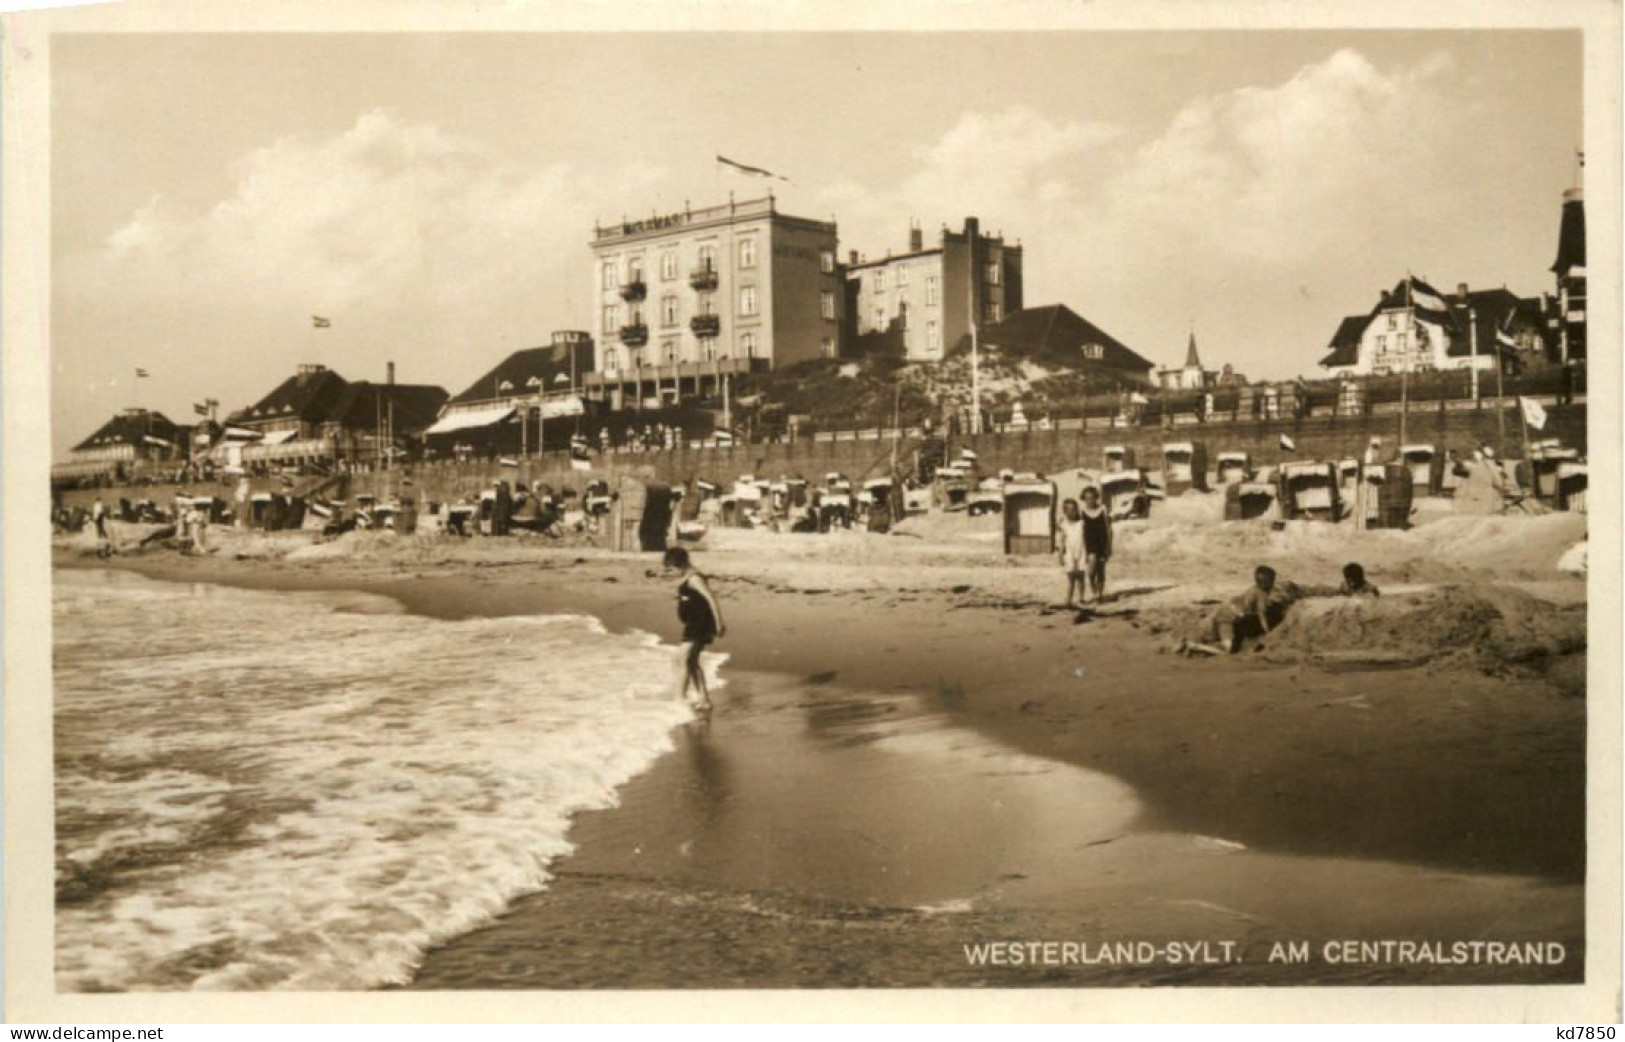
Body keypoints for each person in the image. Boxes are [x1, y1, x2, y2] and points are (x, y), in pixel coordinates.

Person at [664, 546, 725, 711]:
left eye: (671, 569)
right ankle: (703, 699)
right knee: (690, 661)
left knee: (683, 658)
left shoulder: (694, 578)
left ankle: (680, 698)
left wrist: (719, 623)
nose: (670, 572)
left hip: (701, 623)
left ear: (682, 565)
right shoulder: (687, 575)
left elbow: (711, 598)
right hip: (693, 623)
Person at [1197, 565, 1294, 654]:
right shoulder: (1261, 594)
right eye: (1272, 581)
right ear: (1267, 582)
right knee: (1228, 650)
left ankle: (1204, 644)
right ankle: (1196, 647)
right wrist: (1268, 632)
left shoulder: (1254, 589)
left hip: (1224, 612)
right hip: (1226, 619)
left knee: (1221, 640)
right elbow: (1262, 615)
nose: (1273, 584)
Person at [1079, 485, 1113, 603]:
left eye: (1092, 498)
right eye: (1087, 498)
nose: (1090, 501)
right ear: (1084, 499)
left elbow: (1108, 528)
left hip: (1102, 541)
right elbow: (1079, 529)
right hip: (1089, 543)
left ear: (1096, 498)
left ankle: (1100, 595)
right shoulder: (1082, 511)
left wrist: (1109, 546)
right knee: (1092, 567)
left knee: (1101, 569)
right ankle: (1092, 583)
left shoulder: (1103, 509)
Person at [1056, 498, 1086, 608]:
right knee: (1071, 577)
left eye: (1074, 509)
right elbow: (1062, 540)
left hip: (1081, 551)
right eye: (1070, 510)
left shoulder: (1082, 523)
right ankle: (1069, 599)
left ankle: (1081, 598)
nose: (1073, 512)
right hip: (1069, 553)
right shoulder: (1064, 524)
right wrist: (1060, 555)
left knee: (1081, 577)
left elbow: (1086, 538)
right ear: (1065, 511)